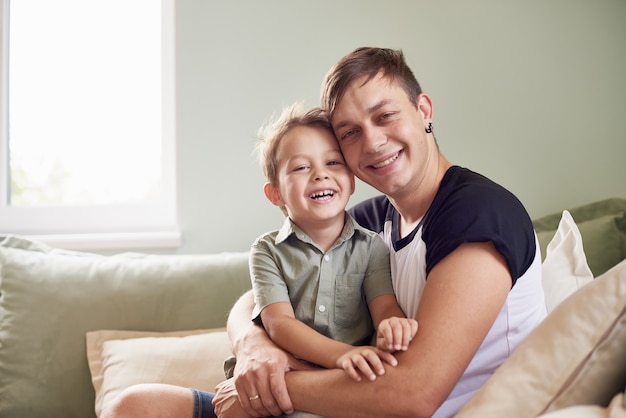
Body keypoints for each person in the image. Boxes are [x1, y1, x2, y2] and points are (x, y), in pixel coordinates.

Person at [101, 47, 547, 418]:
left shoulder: (476, 212)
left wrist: (275, 386)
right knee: (137, 406)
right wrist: (254, 346)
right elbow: (256, 297)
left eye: (385, 116)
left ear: (423, 110)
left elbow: (413, 393)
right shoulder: (373, 221)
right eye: (350, 133)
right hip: (328, 399)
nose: (371, 143)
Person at [247, 101, 417, 391]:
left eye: (333, 162)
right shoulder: (267, 251)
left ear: (351, 181)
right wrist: (344, 355)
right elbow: (280, 325)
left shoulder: (371, 247)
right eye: (301, 167)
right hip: (283, 381)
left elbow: (385, 305)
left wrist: (393, 324)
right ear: (275, 193)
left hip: (344, 387)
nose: (320, 174)